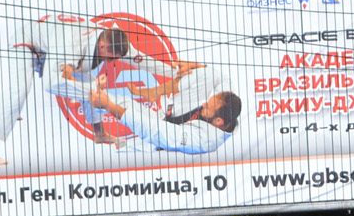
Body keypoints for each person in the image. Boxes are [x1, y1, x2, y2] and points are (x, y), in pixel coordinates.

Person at [0, 17, 130, 165]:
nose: (110, 62)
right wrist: (90, 89)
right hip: (26, 42)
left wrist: (90, 86)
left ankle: (100, 133)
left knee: (89, 83)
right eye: (110, 57)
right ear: (102, 46)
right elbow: (50, 84)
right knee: (19, 89)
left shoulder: (104, 36)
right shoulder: (71, 44)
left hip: (49, 45)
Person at [86, 61, 242, 155]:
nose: (203, 104)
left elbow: (154, 130)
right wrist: (195, 66)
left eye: (207, 108)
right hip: (167, 115)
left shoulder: (204, 140)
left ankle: (83, 90)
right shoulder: (227, 102)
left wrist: (109, 105)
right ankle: (100, 131)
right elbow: (219, 77)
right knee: (207, 74)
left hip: (155, 141)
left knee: (104, 101)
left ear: (219, 121)